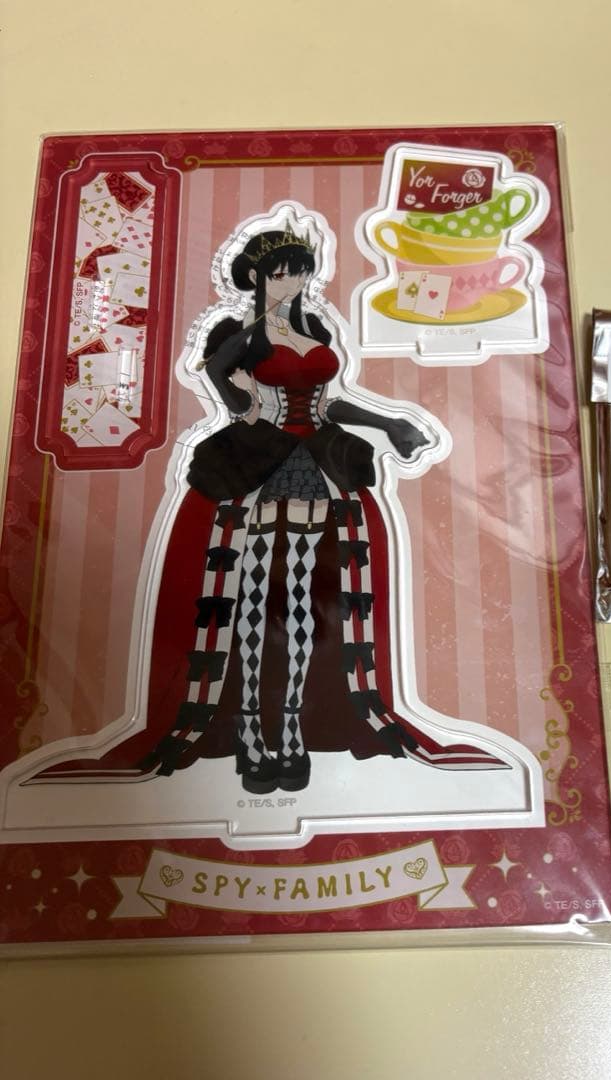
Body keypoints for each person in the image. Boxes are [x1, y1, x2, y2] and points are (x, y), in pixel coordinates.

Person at [31, 220, 507, 793]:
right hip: (260, 463)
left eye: (299, 272)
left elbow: (329, 405)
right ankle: (251, 729)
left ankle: (293, 726)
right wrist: (244, 401)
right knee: (253, 600)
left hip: (316, 463)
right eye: (280, 273)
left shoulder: (316, 327)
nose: (292, 282)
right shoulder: (239, 332)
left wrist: (389, 423)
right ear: (256, 275)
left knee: (303, 602)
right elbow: (219, 378)